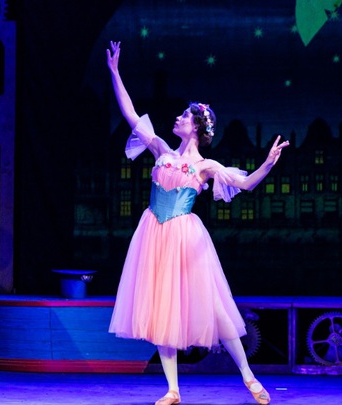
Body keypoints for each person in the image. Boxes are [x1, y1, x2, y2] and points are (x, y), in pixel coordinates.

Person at [106, 40, 289, 405]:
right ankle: (173, 389)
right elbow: (129, 113)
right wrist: (114, 72)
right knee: (161, 311)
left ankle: (249, 377)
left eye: (184, 117)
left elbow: (245, 184)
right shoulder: (160, 148)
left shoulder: (206, 166)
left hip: (186, 238)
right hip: (154, 234)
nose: (178, 118)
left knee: (217, 308)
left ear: (196, 127)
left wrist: (268, 163)